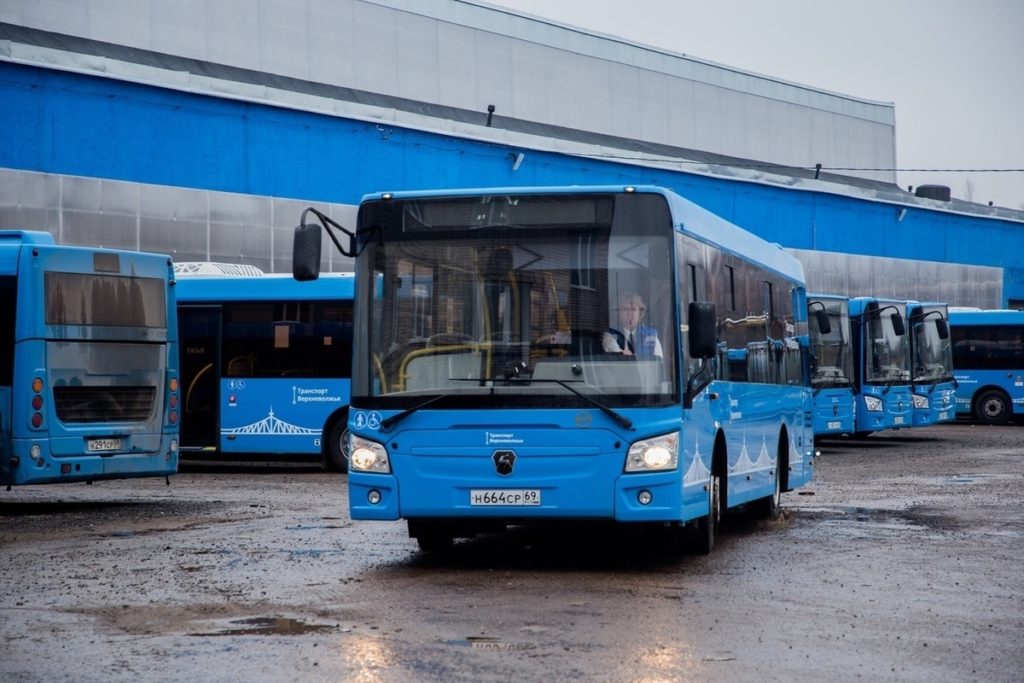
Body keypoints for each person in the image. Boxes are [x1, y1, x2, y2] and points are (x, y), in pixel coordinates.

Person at [602, 293, 663, 359]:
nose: (630, 313)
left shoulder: (651, 335)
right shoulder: (610, 334)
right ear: (617, 313)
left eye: (634, 309)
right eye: (625, 309)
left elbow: (658, 361)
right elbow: (618, 357)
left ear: (640, 313)